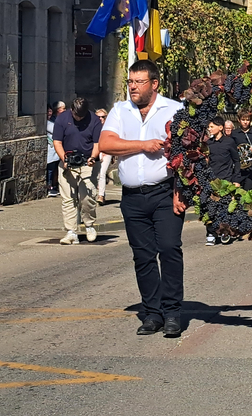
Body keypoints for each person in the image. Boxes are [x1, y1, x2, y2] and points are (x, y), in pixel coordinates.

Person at [100, 59, 187, 337]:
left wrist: (179, 192)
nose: (133, 87)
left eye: (138, 82)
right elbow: (106, 144)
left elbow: (187, 156)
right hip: (133, 197)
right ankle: (153, 313)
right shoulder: (120, 110)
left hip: (165, 193)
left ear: (154, 83)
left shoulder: (174, 110)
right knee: (143, 257)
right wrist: (142, 145)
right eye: (130, 82)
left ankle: (172, 312)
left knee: (170, 249)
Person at [53, 97, 102, 245]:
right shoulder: (62, 119)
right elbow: (57, 141)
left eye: (81, 116)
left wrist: (93, 157)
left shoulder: (94, 120)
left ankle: (89, 225)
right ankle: (71, 232)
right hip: (68, 162)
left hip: (88, 163)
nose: (78, 118)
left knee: (86, 197)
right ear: (72, 110)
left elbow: (97, 143)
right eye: (76, 115)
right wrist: (64, 159)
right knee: (68, 198)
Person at [205, 116, 239, 246]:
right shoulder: (209, 143)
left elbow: (236, 161)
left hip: (227, 179)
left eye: (212, 126)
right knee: (210, 208)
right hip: (212, 180)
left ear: (220, 128)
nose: (210, 129)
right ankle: (210, 234)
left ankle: (225, 231)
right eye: (209, 127)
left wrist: (236, 180)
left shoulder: (229, 142)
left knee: (225, 207)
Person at [231, 110, 252, 190]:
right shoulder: (234, 133)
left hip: (250, 169)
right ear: (239, 120)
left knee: (248, 192)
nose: (245, 122)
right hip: (238, 170)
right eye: (243, 120)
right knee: (236, 192)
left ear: (250, 121)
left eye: (247, 120)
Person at [46, 101, 66, 198]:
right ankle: (49, 187)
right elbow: (56, 130)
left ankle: (54, 186)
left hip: (57, 150)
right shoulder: (50, 122)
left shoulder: (59, 120)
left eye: (50, 111)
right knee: (50, 168)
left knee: (55, 169)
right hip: (51, 149)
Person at [94, 108, 113, 205]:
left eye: (103, 117)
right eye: (98, 117)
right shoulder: (93, 127)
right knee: (96, 174)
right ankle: (101, 194)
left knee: (102, 173)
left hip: (106, 152)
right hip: (96, 152)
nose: (100, 119)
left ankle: (100, 195)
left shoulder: (109, 127)